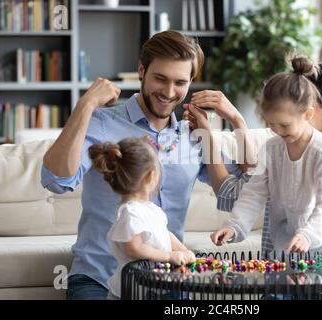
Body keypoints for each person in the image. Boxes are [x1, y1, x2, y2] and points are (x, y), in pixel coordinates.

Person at [40, 30, 241, 300]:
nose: (169, 93)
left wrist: (236, 121)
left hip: (167, 279)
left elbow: (234, 197)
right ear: (141, 70)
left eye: (180, 82)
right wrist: (85, 105)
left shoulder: (194, 134)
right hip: (98, 277)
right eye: (160, 78)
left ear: (191, 81)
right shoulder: (101, 122)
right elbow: (56, 180)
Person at [206, 59, 322, 256]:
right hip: (279, 261)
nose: (275, 129)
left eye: (284, 124)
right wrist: (234, 226)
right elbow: (245, 194)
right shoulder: (276, 146)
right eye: (272, 122)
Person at [88, 137, 196, 300]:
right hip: (133, 290)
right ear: (150, 177)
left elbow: (165, 234)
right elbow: (133, 248)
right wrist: (168, 256)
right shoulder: (130, 213)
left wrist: (183, 250)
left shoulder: (151, 209)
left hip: (154, 284)